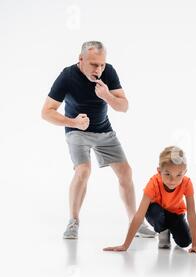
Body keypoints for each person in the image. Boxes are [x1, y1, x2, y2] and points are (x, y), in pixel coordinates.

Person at [41, 41, 155, 239]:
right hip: (77, 130)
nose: (99, 69)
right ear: (81, 59)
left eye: (102, 64)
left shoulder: (108, 72)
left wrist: (107, 96)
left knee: (126, 172)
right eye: (94, 64)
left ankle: (134, 222)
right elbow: (46, 112)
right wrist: (73, 122)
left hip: (103, 130)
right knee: (83, 171)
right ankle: (73, 221)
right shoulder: (67, 76)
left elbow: (124, 106)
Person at [104, 146, 196, 253]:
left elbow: (191, 213)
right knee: (158, 215)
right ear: (159, 171)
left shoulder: (187, 183)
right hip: (156, 212)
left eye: (178, 175)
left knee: (184, 242)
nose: (173, 180)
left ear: (184, 172)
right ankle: (163, 230)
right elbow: (139, 214)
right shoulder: (153, 183)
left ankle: (171, 228)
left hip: (175, 214)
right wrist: (125, 245)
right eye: (167, 174)